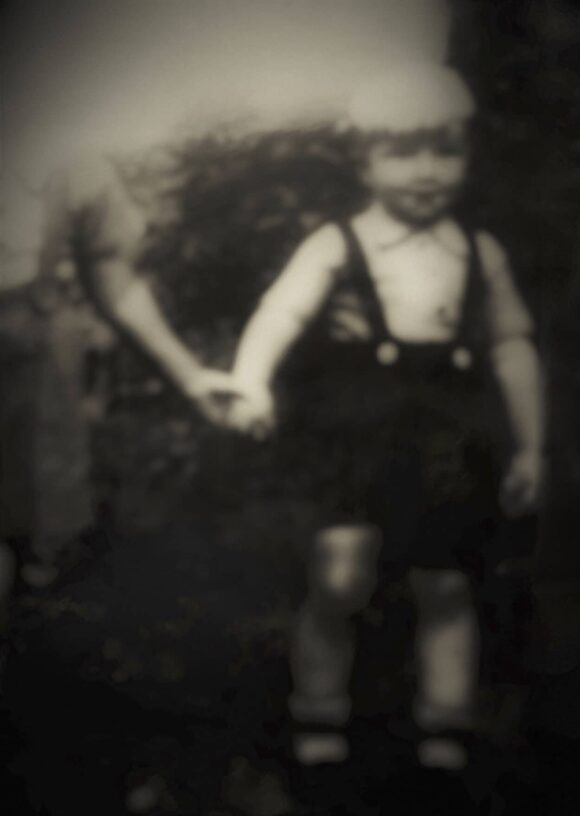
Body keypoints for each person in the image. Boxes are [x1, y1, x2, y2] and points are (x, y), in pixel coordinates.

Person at [228, 61, 545, 771]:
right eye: (402, 153)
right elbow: (281, 312)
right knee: (340, 575)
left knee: (446, 582)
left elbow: (512, 345)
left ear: (466, 154)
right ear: (363, 161)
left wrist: (530, 448)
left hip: (445, 438)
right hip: (357, 431)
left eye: (445, 151)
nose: (426, 171)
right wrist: (251, 381)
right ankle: (318, 710)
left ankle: (445, 723)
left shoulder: (478, 251)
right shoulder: (338, 243)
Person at [22, 152, 239, 584]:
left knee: (31, 533)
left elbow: (107, 268)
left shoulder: (74, 159)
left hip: (34, 363)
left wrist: (189, 375)